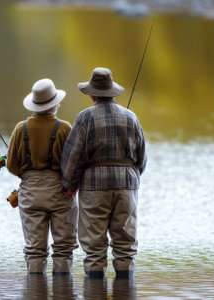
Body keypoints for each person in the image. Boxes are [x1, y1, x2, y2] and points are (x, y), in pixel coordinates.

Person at [61, 67, 147, 279]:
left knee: (94, 245)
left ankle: (95, 289)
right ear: (112, 92)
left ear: (92, 94)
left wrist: (70, 184)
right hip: (127, 185)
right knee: (126, 243)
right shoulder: (131, 118)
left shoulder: (84, 118)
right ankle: (125, 287)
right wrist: (131, 178)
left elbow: (73, 156)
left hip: (93, 187)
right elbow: (142, 158)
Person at [7, 78, 78, 275]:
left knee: (34, 250)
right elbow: (74, 163)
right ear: (55, 104)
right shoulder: (64, 128)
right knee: (64, 248)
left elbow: (11, 165)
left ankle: (35, 290)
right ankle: (63, 292)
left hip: (30, 194)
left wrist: (29, 176)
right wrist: (70, 183)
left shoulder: (20, 129)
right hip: (61, 193)